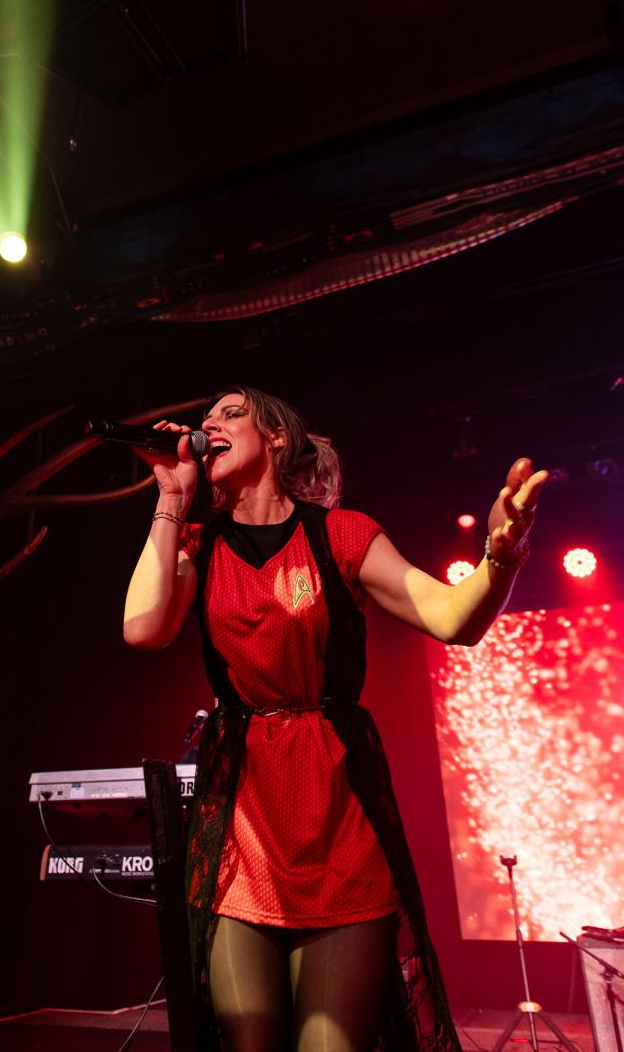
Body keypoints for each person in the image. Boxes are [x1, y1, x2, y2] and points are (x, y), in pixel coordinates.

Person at [124, 387, 548, 1052]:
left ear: (276, 438)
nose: (209, 424)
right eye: (206, 418)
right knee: (247, 1039)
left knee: (331, 1044)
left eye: (231, 413)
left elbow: (452, 619)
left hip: (336, 813)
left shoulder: (342, 534)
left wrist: (502, 554)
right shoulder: (198, 545)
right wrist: (170, 500)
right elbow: (143, 628)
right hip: (244, 820)